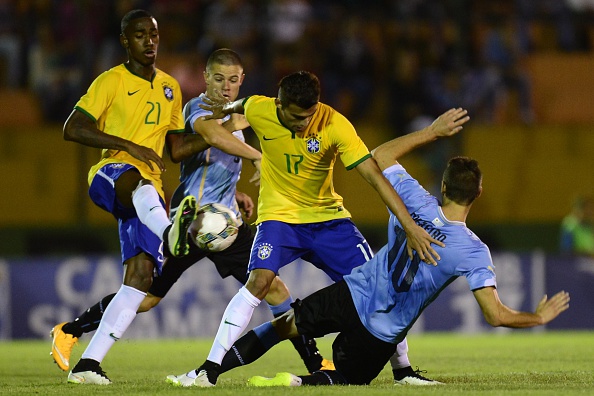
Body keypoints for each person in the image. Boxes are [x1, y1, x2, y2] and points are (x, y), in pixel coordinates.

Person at [196, 108, 570, 387]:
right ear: (478, 194)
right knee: (344, 380)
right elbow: (495, 315)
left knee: (284, 325)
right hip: (381, 332)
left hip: (352, 293)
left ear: (443, 188)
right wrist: (537, 318)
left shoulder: (414, 200)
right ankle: (295, 383)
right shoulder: (473, 251)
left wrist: (432, 132)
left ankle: (211, 372)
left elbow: (380, 155)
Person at [51, 48, 332, 381]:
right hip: (191, 222)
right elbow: (190, 146)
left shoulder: (239, 112)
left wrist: (235, 191)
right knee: (146, 297)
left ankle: (315, 362)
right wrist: (257, 155)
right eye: (218, 78)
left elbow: (218, 163)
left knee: (274, 289)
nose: (225, 87)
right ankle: (70, 330)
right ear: (206, 78)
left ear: (241, 79)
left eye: (232, 79)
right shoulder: (197, 107)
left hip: (226, 225)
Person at [166, 70, 448, 387]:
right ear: (280, 104)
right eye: (297, 116)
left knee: (380, 289)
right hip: (279, 219)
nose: (304, 123)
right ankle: (208, 371)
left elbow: (374, 177)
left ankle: (404, 371)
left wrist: (409, 226)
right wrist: (220, 116)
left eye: (309, 115)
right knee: (258, 283)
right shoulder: (260, 108)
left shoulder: (335, 124)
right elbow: (235, 110)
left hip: (329, 221)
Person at [61, 10, 200, 385]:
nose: (150, 41)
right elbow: (72, 128)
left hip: (149, 191)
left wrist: (221, 130)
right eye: (140, 35)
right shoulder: (110, 81)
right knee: (136, 180)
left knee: (139, 280)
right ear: (125, 41)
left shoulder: (171, 87)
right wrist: (128, 145)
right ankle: (171, 230)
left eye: (154, 34)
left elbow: (176, 149)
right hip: (112, 174)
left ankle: (88, 365)